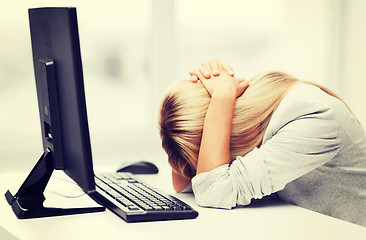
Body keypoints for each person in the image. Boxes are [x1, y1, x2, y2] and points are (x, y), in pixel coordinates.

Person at [159, 59, 366, 227]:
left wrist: (222, 97)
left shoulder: (313, 117)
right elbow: (185, 183)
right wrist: (193, 100)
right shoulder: (260, 112)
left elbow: (212, 191)